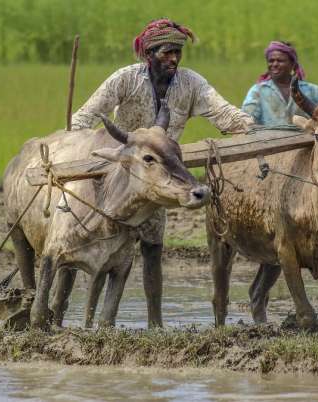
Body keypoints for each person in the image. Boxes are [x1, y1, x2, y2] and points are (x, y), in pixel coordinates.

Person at [71, 19, 253, 328]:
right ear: (149, 54)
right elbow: (85, 118)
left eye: (177, 53)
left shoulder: (191, 84)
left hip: (159, 178)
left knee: (153, 248)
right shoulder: (125, 80)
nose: (173, 59)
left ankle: (155, 324)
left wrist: (250, 128)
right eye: (166, 53)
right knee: (104, 245)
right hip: (120, 176)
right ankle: (87, 320)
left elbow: (223, 113)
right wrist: (72, 146)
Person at [242, 41, 318, 126]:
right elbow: (245, 121)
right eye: (271, 61)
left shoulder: (312, 90)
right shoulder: (258, 91)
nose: (274, 64)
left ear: (292, 64)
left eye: (280, 60)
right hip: (270, 144)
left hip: (305, 144)